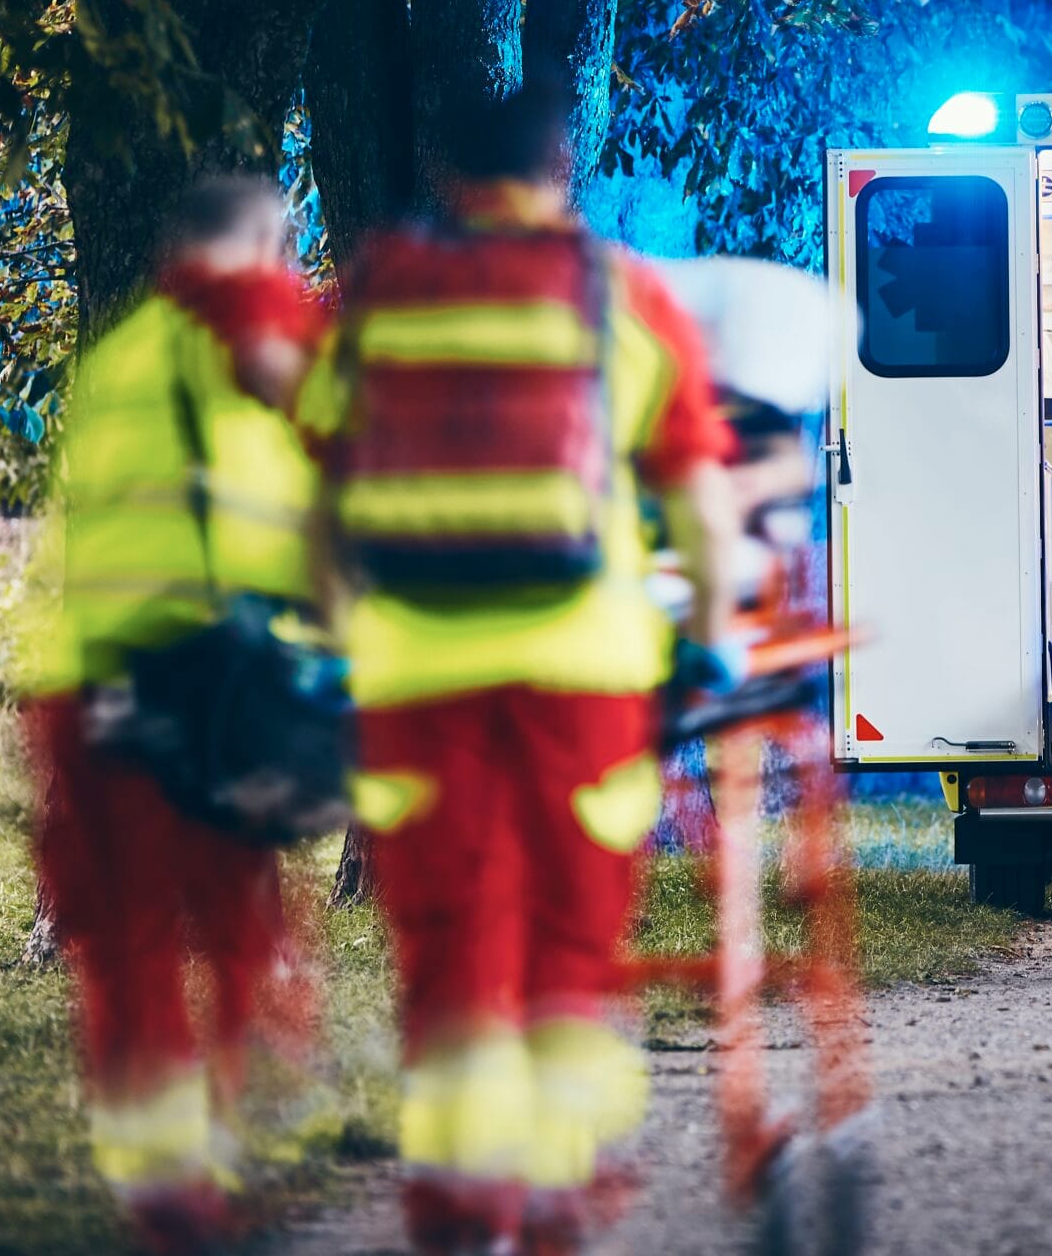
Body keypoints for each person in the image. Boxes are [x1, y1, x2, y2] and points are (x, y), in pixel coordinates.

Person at [304, 83, 736, 1256]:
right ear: (559, 172)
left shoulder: (378, 300)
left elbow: (323, 506)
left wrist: (343, 645)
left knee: (448, 941)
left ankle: (455, 1198)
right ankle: (551, 1199)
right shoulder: (616, 294)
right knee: (567, 935)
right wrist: (714, 628)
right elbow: (698, 495)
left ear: (448, 177)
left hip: (415, 685)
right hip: (578, 682)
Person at [20, 174, 327, 1253]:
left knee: (131, 935)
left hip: (85, 683)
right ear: (245, 247)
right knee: (236, 914)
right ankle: (222, 1142)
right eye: (282, 246)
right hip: (198, 679)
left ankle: (163, 1172)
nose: (289, 270)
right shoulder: (236, 322)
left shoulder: (119, 358)